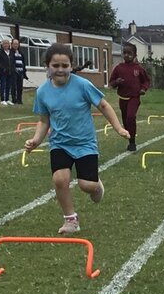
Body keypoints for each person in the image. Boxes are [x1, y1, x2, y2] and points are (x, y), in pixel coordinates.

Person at [25, 44, 131, 235]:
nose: (60, 70)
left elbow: (104, 106)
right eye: (55, 65)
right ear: (47, 66)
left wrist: (118, 127)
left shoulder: (82, 85)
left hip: (85, 144)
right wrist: (35, 140)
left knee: (86, 185)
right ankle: (70, 220)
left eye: (64, 65)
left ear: (71, 66)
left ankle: (96, 186)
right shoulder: (42, 92)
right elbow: (43, 121)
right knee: (60, 179)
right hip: (60, 143)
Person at [108, 43, 151, 152]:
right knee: (125, 121)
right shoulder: (119, 68)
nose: (127, 55)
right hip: (122, 97)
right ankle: (129, 137)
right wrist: (116, 82)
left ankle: (132, 143)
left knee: (130, 117)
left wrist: (143, 89)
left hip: (134, 97)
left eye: (129, 53)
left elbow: (146, 80)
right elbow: (111, 83)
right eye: (125, 53)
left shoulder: (138, 68)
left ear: (135, 54)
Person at [0, 38, 15, 105]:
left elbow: (13, 61)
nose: (6, 45)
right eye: (5, 43)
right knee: (3, 85)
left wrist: (13, 68)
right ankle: (2, 99)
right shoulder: (0, 52)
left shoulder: (11, 52)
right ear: (2, 45)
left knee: (8, 86)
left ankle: (7, 99)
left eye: (7, 43)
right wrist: (2, 68)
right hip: (3, 72)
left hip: (10, 72)